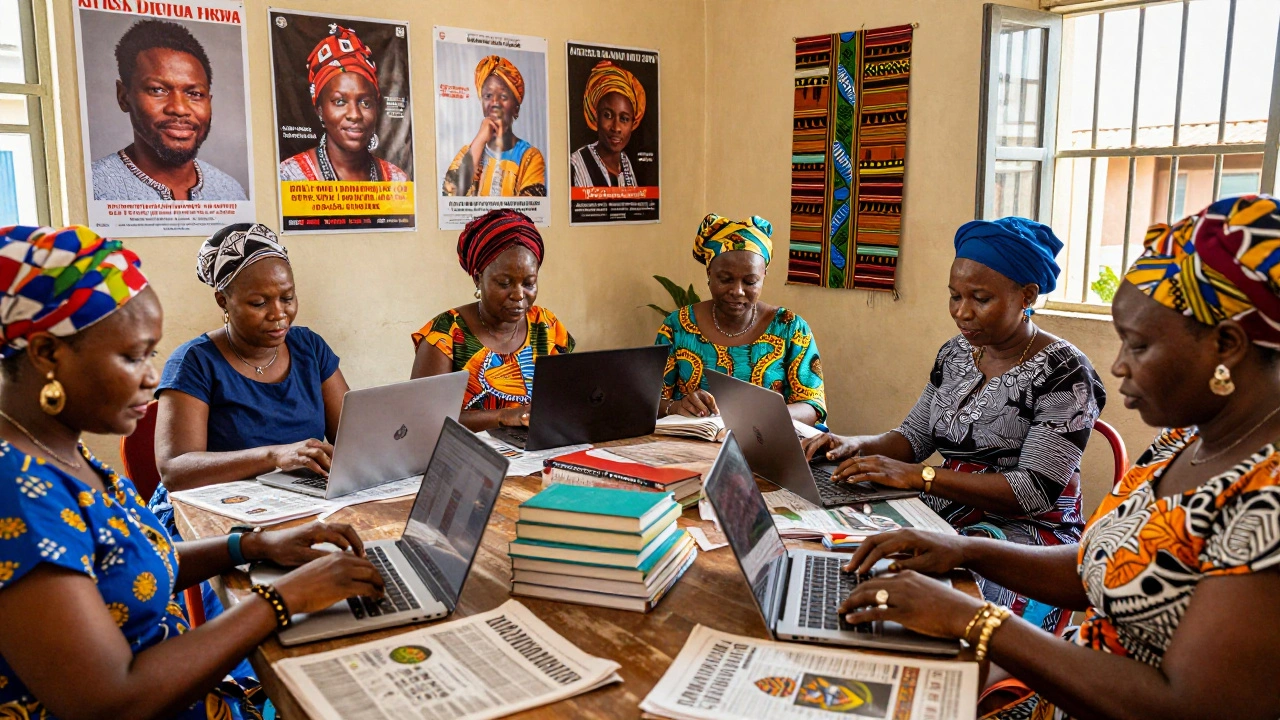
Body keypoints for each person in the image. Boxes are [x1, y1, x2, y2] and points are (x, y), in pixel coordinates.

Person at [837, 195, 1280, 720]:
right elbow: (1104, 567)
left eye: (1137, 346)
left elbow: (1189, 706)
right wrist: (965, 552)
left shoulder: (1266, 499)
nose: (1116, 367)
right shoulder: (1181, 444)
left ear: (1226, 345)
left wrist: (975, 620)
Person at [0, 224, 383, 720]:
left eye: (151, 354)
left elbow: (132, 566)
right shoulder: (16, 493)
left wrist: (248, 546)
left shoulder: (60, 455)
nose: (152, 376)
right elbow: (110, 702)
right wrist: (280, 599)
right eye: (132, 356)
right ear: (47, 354)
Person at [803, 217, 1105, 632]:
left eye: (980, 298)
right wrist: (854, 444)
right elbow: (912, 437)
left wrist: (919, 476)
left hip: (1025, 538)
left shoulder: (1066, 372)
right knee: (845, 552)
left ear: (1027, 295)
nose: (962, 313)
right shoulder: (958, 353)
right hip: (945, 514)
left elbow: (1032, 491)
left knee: (916, 600)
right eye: (954, 296)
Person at [152, 223, 347, 518]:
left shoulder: (309, 347)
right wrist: (275, 456)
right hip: (219, 511)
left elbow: (351, 435)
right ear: (223, 301)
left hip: (303, 502)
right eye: (259, 302)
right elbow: (175, 470)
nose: (279, 313)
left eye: (287, 297)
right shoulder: (194, 363)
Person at [655, 213, 826, 426]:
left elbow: (812, 407)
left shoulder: (790, 328)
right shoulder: (677, 325)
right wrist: (678, 407)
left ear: (764, 275)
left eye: (750, 281)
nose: (737, 291)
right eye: (725, 279)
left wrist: (757, 414)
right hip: (691, 448)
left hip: (766, 446)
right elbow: (652, 401)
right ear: (709, 273)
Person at [411, 209, 572, 432]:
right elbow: (422, 421)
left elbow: (569, 398)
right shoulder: (445, 335)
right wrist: (504, 416)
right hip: (465, 456)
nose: (518, 295)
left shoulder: (546, 325)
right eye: (504, 283)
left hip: (535, 453)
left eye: (529, 283)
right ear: (478, 278)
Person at [92, 19, 247, 201]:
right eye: (158, 90)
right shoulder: (93, 187)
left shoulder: (231, 191)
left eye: (195, 93)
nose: (180, 109)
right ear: (124, 97)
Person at [278, 25, 409, 183]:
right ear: (319, 110)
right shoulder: (290, 176)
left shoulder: (397, 179)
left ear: (377, 109)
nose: (355, 115)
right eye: (340, 101)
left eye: (366, 103)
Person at [442, 55, 547, 197]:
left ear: (516, 109)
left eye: (503, 96)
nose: (495, 102)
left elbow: (531, 210)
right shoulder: (468, 152)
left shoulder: (530, 157)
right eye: (488, 96)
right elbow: (449, 197)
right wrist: (479, 141)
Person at [570, 60, 647, 187]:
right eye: (608, 115)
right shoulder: (577, 163)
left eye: (624, 119)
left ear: (633, 123)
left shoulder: (625, 162)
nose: (616, 128)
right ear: (596, 116)